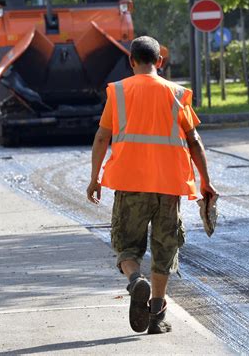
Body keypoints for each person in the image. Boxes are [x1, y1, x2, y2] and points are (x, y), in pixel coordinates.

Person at [86, 36, 218, 335]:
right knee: (165, 248)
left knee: (126, 246)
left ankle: (135, 281)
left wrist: (95, 178)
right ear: (160, 61)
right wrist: (206, 182)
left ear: (131, 61)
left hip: (130, 183)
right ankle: (157, 316)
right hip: (170, 185)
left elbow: (101, 138)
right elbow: (194, 141)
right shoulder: (176, 94)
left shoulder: (118, 92)